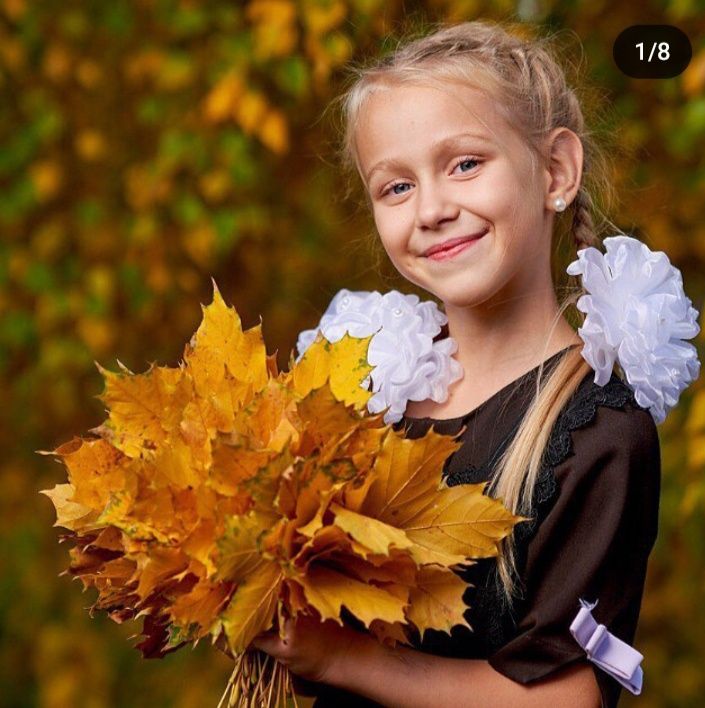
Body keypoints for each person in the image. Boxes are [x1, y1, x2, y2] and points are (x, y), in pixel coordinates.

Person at [250, 19, 673, 708]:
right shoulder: (367, 393)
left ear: (556, 172)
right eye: (396, 187)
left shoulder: (597, 436)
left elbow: (565, 698)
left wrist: (342, 661)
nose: (433, 209)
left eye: (465, 164)